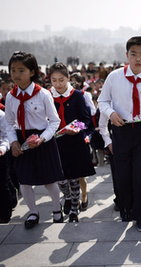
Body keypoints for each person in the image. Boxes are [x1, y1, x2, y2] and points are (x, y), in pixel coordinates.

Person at [98, 36, 141, 232]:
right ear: (127, 55)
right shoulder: (114, 77)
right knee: (122, 172)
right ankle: (125, 207)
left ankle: (140, 214)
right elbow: (102, 101)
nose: (137, 58)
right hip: (121, 127)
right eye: (133, 54)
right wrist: (111, 113)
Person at [5, 51, 64, 228]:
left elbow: (55, 121)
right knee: (24, 181)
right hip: (22, 140)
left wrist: (42, 138)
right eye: (13, 70)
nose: (16, 75)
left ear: (32, 72)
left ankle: (56, 209)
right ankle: (32, 212)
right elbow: (8, 123)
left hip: (42, 140)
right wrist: (13, 141)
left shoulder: (43, 94)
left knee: (48, 180)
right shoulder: (10, 96)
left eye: (21, 70)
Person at [49, 62, 95, 222]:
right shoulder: (48, 96)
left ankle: (74, 209)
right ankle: (67, 197)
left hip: (74, 141)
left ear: (68, 78)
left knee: (74, 177)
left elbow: (86, 119)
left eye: (61, 80)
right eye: (54, 80)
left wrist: (76, 128)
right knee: (61, 179)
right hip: (56, 143)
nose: (58, 84)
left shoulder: (76, 95)